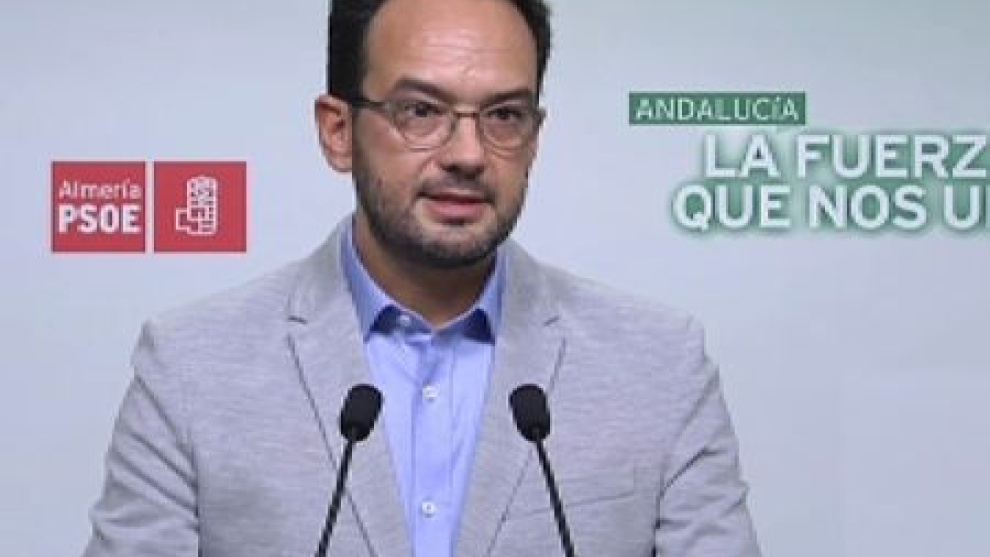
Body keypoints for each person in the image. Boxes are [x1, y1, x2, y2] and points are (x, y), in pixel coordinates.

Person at [83, 0, 762, 555]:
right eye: (421, 111)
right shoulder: (190, 367)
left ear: (534, 136)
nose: (468, 154)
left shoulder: (660, 365)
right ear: (338, 131)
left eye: (504, 116)